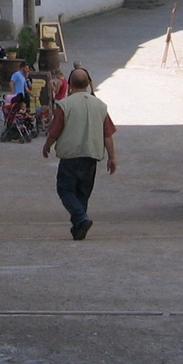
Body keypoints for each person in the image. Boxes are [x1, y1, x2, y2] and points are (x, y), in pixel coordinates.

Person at [40, 67, 118, 241]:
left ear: (70, 84)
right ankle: (79, 226)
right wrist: (112, 158)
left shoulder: (65, 105)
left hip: (70, 156)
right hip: (91, 156)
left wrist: (47, 146)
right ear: (89, 83)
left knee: (65, 190)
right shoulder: (100, 106)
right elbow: (107, 135)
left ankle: (81, 219)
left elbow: (55, 131)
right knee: (83, 193)